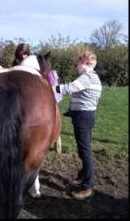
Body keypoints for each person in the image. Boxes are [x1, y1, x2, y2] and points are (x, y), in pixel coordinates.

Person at [55, 51, 102, 199]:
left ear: (85, 64)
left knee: (85, 151)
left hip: (83, 118)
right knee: (84, 150)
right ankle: (83, 176)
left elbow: (70, 88)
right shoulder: (94, 77)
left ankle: (87, 187)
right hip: (86, 116)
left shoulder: (87, 77)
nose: (76, 66)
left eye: (77, 64)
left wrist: (51, 87)